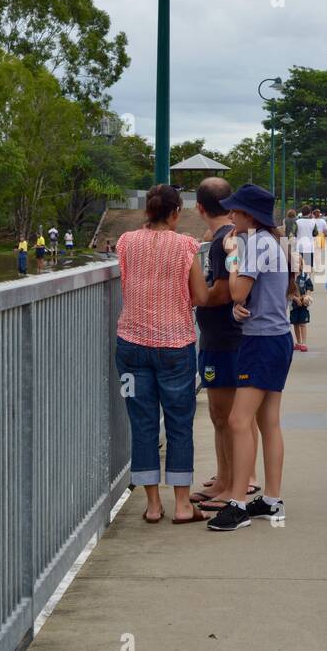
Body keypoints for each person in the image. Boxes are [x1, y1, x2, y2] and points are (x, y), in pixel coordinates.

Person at [115, 183, 211, 524]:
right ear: (175, 213)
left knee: (140, 423)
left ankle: (153, 505)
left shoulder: (126, 242)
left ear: (147, 211)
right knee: (179, 422)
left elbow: (127, 279)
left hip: (130, 345)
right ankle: (183, 504)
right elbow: (199, 296)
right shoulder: (187, 245)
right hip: (175, 347)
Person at [209, 183, 296, 532]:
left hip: (260, 343)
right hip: (276, 338)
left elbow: (236, 291)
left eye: (235, 211)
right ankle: (271, 500)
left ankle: (238, 503)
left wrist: (231, 255)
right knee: (268, 421)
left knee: (237, 421)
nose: (230, 216)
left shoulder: (256, 244)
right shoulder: (271, 242)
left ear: (249, 215)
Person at [189, 177, 257, 513]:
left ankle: (232, 484)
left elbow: (222, 292)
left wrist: (194, 294)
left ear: (199, 208)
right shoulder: (229, 238)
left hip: (225, 339)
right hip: (225, 338)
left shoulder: (223, 243)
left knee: (225, 415)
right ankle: (224, 477)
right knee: (220, 416)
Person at [290, 256, 314, 351]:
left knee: (303, 323)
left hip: (304, 304)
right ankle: (298, 342)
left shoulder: (305, 276)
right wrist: (296, 299)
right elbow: (287, 291)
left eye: (298, 263)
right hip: (293, 304)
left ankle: (304, 343)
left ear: (301, 264)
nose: (296, 265)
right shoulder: (290, 277)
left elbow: (309, 287)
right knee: (295, 323)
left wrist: (306, 297)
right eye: (294, 263)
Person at [294, 205, 319, 271]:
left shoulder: (297, 222)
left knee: (299, 266)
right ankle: (307, 278)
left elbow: (294, 233)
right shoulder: (313, 222)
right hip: (309, 246)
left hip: (299, 246)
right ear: (310, 213)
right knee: (308, 267)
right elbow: (315, 233)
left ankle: (300, 279)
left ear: (302, 212)